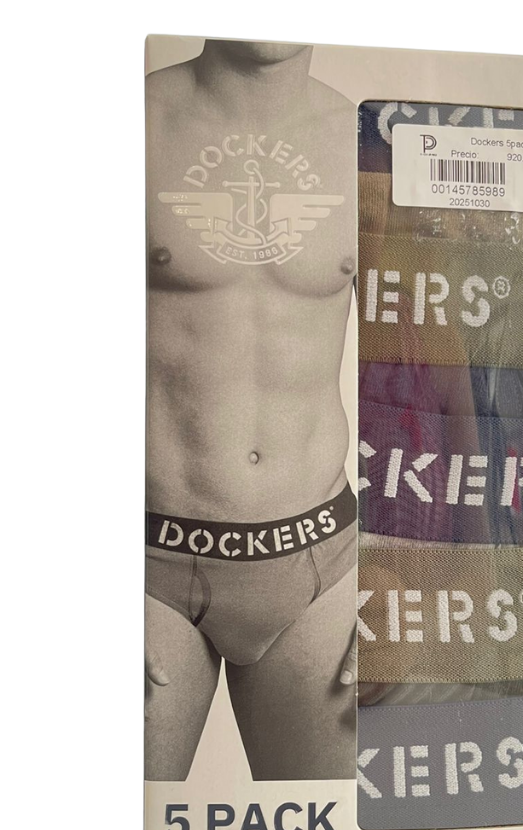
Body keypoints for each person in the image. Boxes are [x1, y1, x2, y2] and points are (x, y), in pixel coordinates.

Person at [144, 40, 357, 781]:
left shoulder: (369, 137)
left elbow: (429, 374)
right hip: (144, 563)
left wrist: (411, 580)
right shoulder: (132, 122)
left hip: (324, 564)